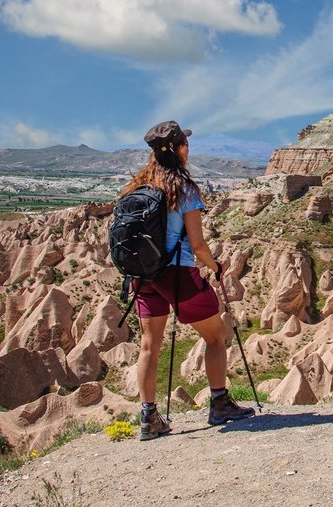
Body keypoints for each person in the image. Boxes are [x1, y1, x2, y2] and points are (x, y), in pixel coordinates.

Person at [122, 120, 255, 441]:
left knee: (149, 347)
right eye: (186, 144)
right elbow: (197, 245)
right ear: (180, 149)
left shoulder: (138, 188)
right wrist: (217, 266)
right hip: (178, 275)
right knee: (216, 336)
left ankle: (149, 418)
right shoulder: (184, 189)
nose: (188, 148)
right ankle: (219, 402)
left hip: (143, 276)